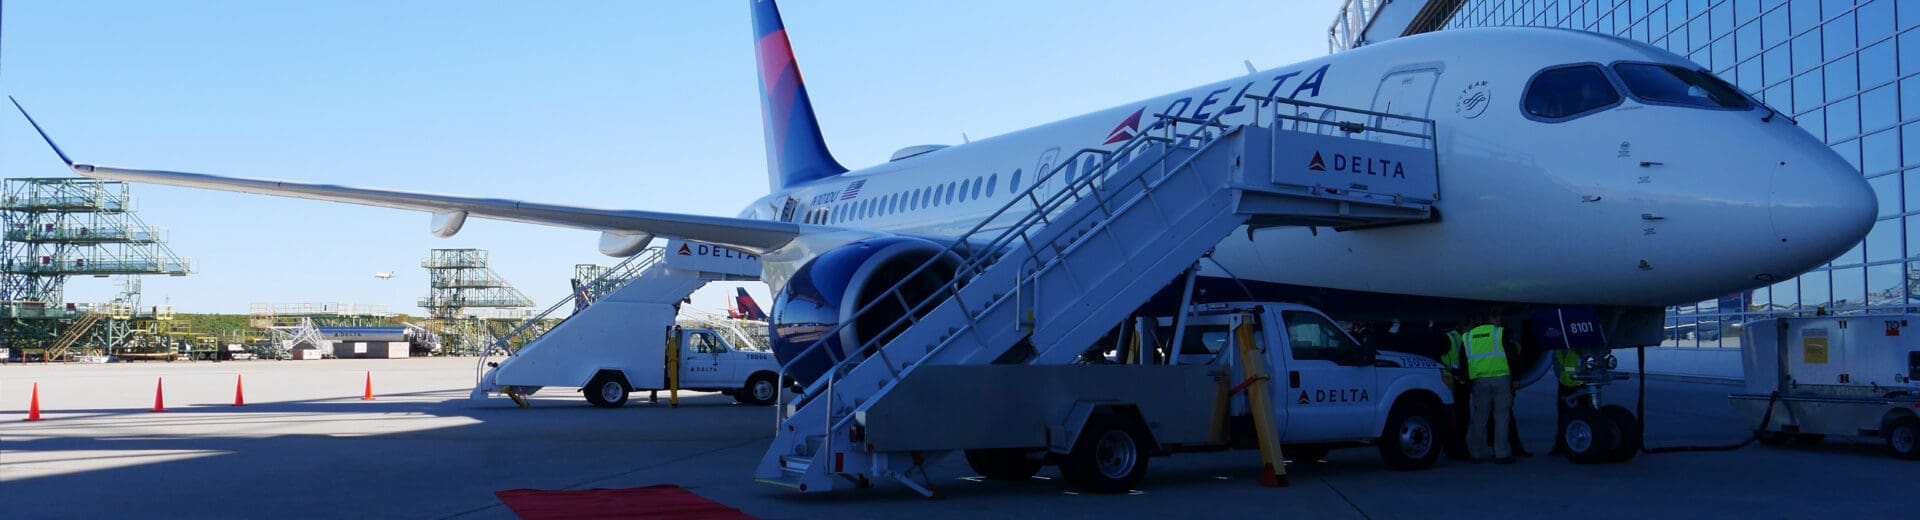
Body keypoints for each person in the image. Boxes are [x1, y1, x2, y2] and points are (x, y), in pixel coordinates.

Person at [1464, 314, 1516, 464]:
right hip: (1500, 378)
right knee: (1501, 416)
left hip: (1479, 380)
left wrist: (1468, 381)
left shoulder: (1469, 336)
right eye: (1498, 318)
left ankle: (1475, 453)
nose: (1500, 321)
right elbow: (1511, 355)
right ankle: (1501, 454)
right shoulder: (1500, 333)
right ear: (1492, 319)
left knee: (1480, 417)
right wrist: (1517, 377)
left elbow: (1464, 359)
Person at [1438, 321, 1472, 460]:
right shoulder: (1451, 338)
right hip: (1452, 382)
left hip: (1456, 382)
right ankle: (1457, 449)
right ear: (1465, 326)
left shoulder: (1457, 337)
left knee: (1458, 417)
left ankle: (1451, 448)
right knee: (1460, 417)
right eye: (1471, 327)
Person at [1550, 348, 1584, 456]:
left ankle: (1565, 445)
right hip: (1569, 383)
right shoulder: (1561, 348)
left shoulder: (1561, 348)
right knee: (1566, 416)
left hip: (1576, 383)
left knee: (1568, 416)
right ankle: (1563, 445)